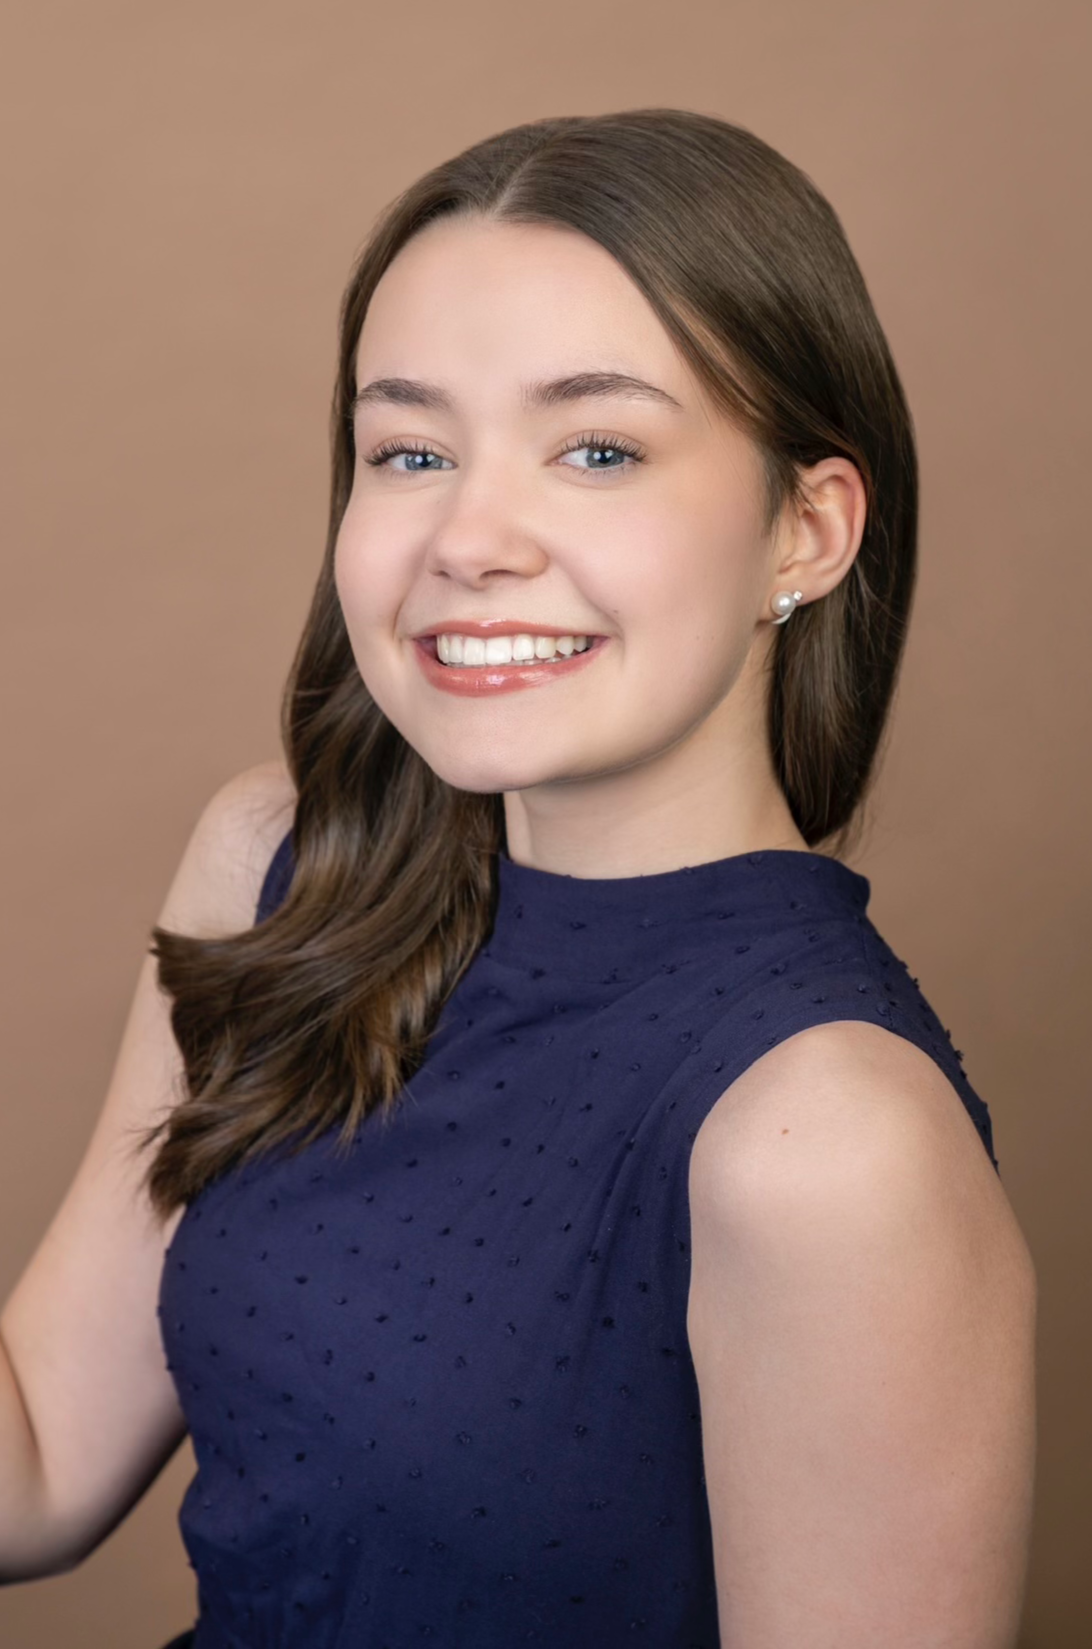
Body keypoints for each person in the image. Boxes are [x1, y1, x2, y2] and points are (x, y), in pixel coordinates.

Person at [0, 109, 1035, 1648]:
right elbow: (38, 1462)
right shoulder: (278, 868)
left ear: (806, 532)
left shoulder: (829, 1145)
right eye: (409, 449)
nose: (469, 537)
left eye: (598, 448)